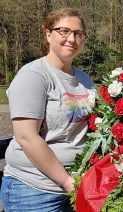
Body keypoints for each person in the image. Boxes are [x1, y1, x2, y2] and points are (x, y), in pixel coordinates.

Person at [0, 8, 94, 211]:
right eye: (64, 31)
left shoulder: (86, 81)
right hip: (34, 191)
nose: (71, 39)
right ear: (48, 34)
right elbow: (27, 137)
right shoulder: (34, 75)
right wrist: (68, 182)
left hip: (77, 185)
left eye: (78, 33)